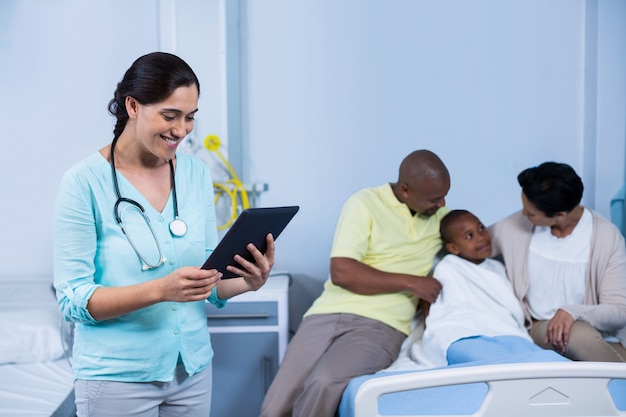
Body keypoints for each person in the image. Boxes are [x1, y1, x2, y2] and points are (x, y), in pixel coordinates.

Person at [53, 52, 275, 417]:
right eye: (170, 116)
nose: (182, 130)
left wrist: (250, 281)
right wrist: (159, 290)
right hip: (116, 379)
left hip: (192, 372)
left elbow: (211, 282)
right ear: (133, 106)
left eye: (190, 118)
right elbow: (75, 300)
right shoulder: (83, 183)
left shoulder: (194, 173)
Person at [260, 150, 451, 417]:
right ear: (406, 191)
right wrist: (413, 282)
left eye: (445, 195)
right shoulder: (364, 203)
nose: (442, 204)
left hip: (382, 324)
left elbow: (482, 239)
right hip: (325, 314)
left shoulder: (444, 221)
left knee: (323, 383)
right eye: (434, 198)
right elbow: (343, 272)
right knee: (276, 403)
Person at [490, 162, 626, 362]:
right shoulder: (515, 226)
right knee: (578, 336)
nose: (523, 214)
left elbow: (619, 311)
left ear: (560, 215)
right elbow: (472, 243)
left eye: (531, 213)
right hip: (544, 326)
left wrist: (572, 311)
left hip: (600, 332)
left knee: (591, 339)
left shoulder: (606, 237)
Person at [414, 209, 543, 368]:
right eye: (469, 236)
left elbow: (507, 302)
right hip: (460, 332)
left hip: (505, 330)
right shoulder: (448, 267)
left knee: (543, 361)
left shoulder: (498, 267)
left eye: (481, 228)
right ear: (454, 248)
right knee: (499, 363)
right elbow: (436, 305)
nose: (480, 237)